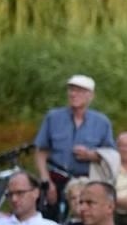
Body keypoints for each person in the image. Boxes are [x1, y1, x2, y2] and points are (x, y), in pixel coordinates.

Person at [33, 74, 114, 210]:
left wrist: (91, 155)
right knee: (50, 218)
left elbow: (111, 156)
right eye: (71, 90)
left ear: (91, 96)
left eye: (80, 91)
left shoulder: (102, 122)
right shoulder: (53, 117)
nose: (73, 94)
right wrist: (46, 181)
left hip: (86, 181)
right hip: (55, 179)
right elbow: (41, 151)